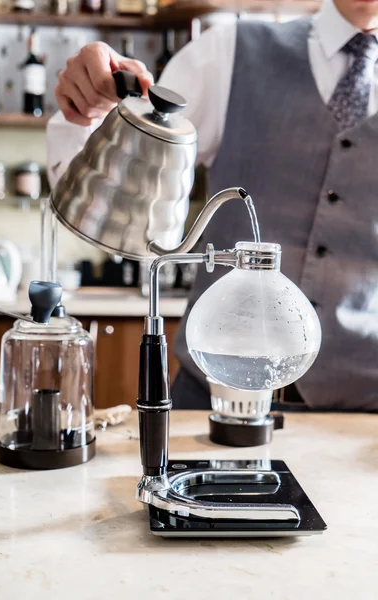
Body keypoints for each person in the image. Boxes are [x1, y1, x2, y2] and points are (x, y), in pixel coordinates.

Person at [47, 0, 378, 412]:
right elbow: (112, 194)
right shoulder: (229, 51)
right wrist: (88, 114)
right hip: (211, 400)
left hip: (363, 420)